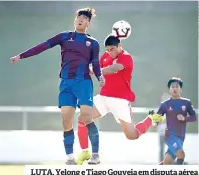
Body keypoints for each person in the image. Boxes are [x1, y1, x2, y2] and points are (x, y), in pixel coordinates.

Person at [10, 7, 105, 165]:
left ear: (88, 23)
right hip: (66, 83)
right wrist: (21, 56)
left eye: (84, 18)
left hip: (83, 82)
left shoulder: (93, 43)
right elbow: (42, 46)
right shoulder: (64, 37)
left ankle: (95, 154)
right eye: (78, 17)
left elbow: (95, 63)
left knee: (87, 117)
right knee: (66, 121)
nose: (80, 20)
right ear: (75, 20)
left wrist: (100, 76)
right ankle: (70, 158)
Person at [76, 34, 163, 165]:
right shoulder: (105, 56)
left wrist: (97, 71)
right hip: (104, 98)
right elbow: (96, 67)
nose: (109, 52)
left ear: (120, 46)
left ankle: (151, 118)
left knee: (132, 135)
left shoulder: (126, 57)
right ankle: (86, 152)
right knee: (82, 117)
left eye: (112, 49)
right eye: (107, 50)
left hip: (120, 101)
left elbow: (113, 69)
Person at [157, 77, 197, 165]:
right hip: (170, 136)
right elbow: (157, 119)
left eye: (177, 86)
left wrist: (184, 118)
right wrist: (154, 120)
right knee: (181, 155)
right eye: (172, 87)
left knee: (167, 163)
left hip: (181, 137)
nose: (174, 88)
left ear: (181, 89)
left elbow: (194, 117)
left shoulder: (187, 103)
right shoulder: (165, 104)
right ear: (169, 90)